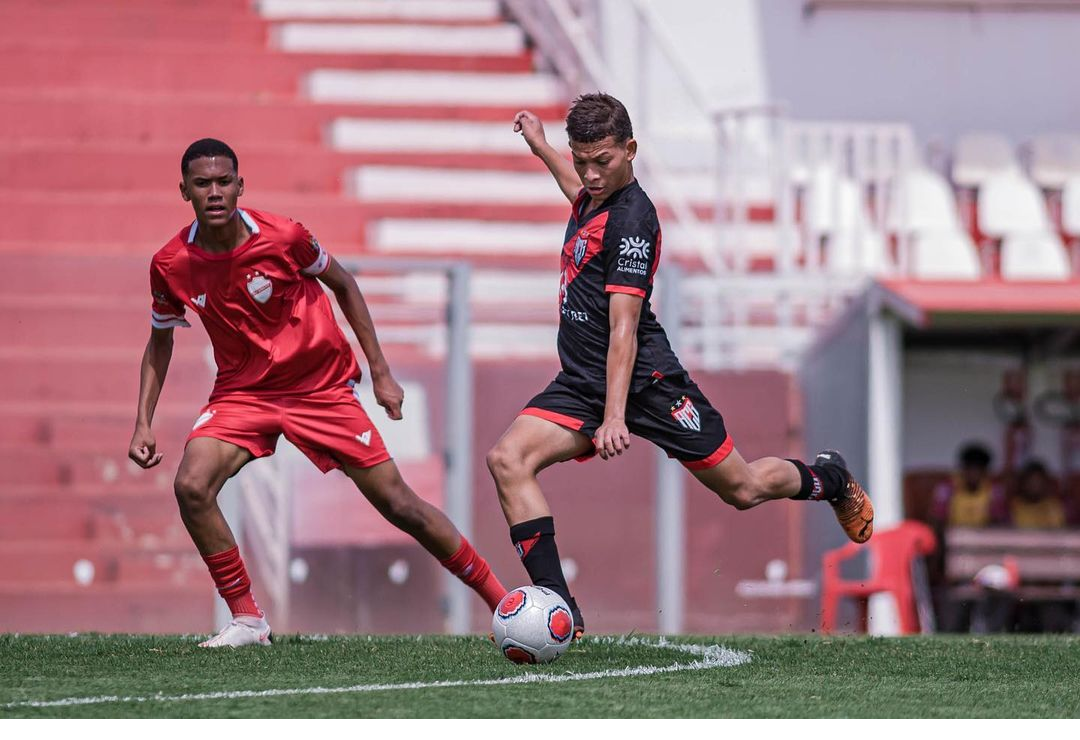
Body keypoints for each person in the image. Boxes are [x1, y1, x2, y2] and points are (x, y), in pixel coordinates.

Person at [486, 94, 875, 637]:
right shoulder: (593, 194)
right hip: (581, 384)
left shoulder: (634, 221)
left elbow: (623, 328)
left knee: (742, 489)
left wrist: (615, 417)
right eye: (582, 160)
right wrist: (544, 148)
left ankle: (829, 478)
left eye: (603, 161)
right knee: (508, 460)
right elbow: (577, 191)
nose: (591, 174)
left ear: (631, 150)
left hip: (648, 385)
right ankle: (559, 610)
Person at [129, 138, 506, 648]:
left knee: (398, 504)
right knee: (191, 487)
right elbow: (160, 341)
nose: (214, 192)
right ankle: (248, 619)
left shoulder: (284, 236)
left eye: (223, 182)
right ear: (184, 192)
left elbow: (344, 283)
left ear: (241, 186)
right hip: (243, 394)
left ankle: (501, 601)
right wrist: (143, 423)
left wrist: (380, 372)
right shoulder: (171, 263)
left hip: (319, 388)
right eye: (202, 184)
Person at [930, 442, 1008, 528]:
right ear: (962, 469)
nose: (974, 474)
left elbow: (1000, 521)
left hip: (984, 536)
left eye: (978, 469)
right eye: (970, 469)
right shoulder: (947, 487)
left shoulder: (995, 489)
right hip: (953, 535)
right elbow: (937, 518)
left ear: (985, 472)